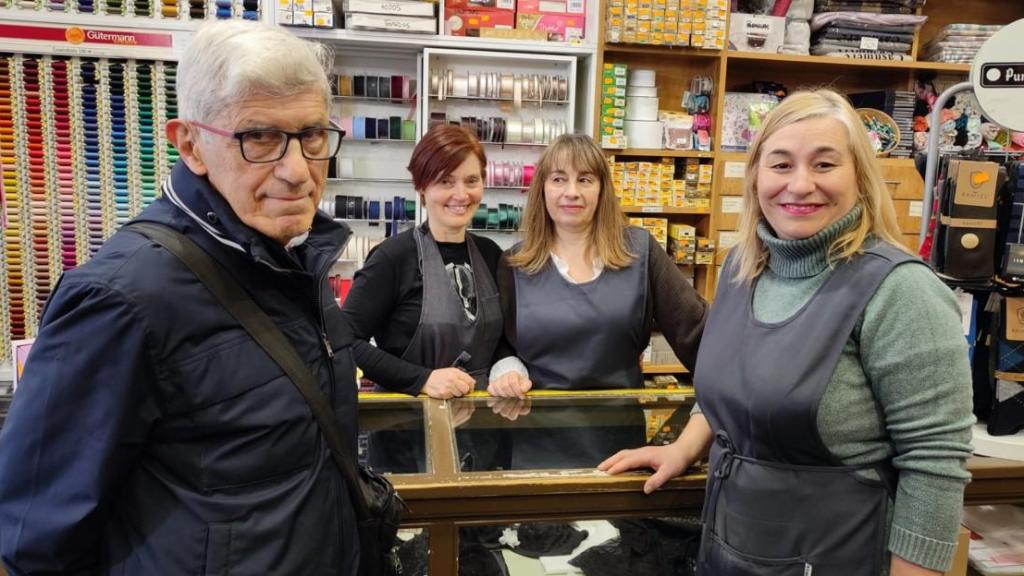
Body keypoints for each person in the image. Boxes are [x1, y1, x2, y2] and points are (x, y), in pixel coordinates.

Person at [0, 21, 361, 575]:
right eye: (259, 138)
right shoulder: (121, 299)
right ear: (190, 144)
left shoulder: (290, 261)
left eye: (312, 135)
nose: (296, 171)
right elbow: (32, 534)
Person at [600, 89, 975, 576]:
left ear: (860, 175)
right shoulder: (742, 267)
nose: (800, 185)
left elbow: (935, 462)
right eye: (780, 165)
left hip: (838, 556)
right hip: (730, 545)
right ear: (757, 176)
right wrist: (684, 448)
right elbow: (733, 385)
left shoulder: (900, 290)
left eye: (824, 165)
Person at [488, 134, 707, 397]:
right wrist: (507, 370)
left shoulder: (640, 250)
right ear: (542, 189)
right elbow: (498, 344)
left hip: (621, 430)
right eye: (559, 179)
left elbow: (696, 332)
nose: (572, 192)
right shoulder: (514, 263)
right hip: (533, 428)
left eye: (585, 179)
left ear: (602, 189)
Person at [342, 125, 521, 399]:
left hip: (482, 424)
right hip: (407, 424)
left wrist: (507, 370)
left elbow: (499, 341)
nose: (461, 195)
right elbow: (345, 340)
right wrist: (421, 380)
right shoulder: (392, 258)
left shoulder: (491, 254)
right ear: (422, 187)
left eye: (471, 181)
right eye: (446, 181)